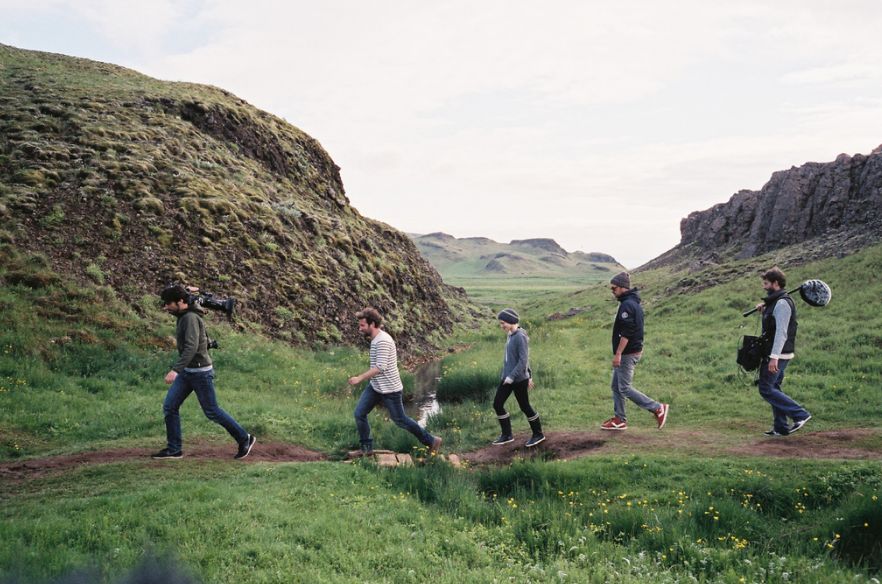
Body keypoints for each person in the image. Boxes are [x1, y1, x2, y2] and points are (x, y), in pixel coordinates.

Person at [152, 285, 256, 459]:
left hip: (199, 372)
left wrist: (175, 370)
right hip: (188, 371)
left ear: (180, 302)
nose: (165, 307)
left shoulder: (190, 318)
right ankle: (174, 449)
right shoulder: (184, 314)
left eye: (168, 303)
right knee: (170, 407)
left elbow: (191, 347)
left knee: (212, 411)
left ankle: (244, 438)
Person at [349, 307, 442, 456]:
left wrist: (359, 378)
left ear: (372, 324)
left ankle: (432, 441)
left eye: (362, 325)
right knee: (360, 413)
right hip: (376, 387)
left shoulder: (383, 341)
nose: (359, 329)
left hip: (390, 389)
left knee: (401, 420)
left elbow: (380, 367)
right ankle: (366, 449)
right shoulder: (375, 339)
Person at [600, 272, 669, 431]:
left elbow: (627, 332)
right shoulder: (631, 302)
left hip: (627, 353)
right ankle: (619, 419)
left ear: (623, 287)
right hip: (631, 351)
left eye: (614, 287)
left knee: (623, 387)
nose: (612, 291)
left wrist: (618, 354)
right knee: (616, 386)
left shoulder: (627, 305)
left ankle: (658, 408)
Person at [753, 267, 812, 436]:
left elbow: (781, 332)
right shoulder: (776, 303)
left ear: (776, 283)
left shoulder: (782, 303)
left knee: (766, 388)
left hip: (778, 354)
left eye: (766, 283)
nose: (764, 287)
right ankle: (781, 427)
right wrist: (765, 311)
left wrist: (774, 358)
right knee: (774, 387)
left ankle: (800, 414)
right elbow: (773, 323)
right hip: (776, 353)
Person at [492, 308, 545, 447]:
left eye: (503, 323)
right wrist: (508, 377)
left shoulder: (520, 336)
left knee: (525, 406)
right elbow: (521, 360)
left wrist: (525, 377)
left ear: (510, 321)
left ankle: (538, 434)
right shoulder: (510, 334)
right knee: (497, 404)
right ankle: (507, 435)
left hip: (518, 379)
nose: (501, 326)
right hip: (508, 378)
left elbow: (523, 360)